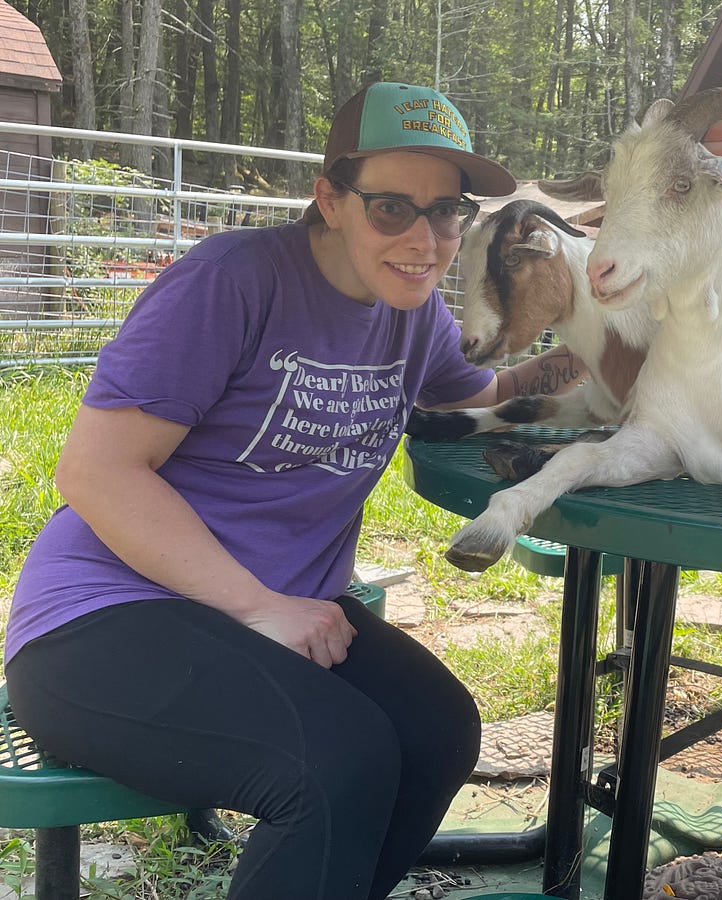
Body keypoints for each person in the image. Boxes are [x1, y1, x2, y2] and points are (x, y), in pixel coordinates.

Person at [3, 82, 584, 900]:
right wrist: (254, 604)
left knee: (438, 732)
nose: (424, 240)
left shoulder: (407, 308)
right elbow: (95, 471)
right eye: (391, 208)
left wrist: (604, 351)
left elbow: (480, 389)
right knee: (336, 765)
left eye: (446, 211)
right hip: (100, 622)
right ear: (330, 198)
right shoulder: (230, 282)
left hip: (262, 612)